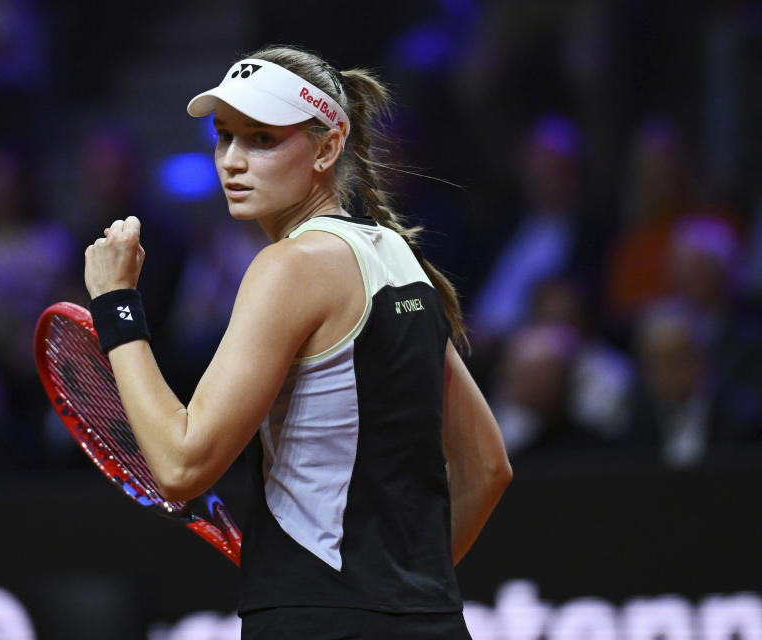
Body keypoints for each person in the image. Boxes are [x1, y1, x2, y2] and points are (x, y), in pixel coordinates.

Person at [83, 45, 512, 639]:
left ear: (328, 147)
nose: (232, 161)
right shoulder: (400, 261)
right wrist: (398, 595)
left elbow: (181, 465)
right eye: (224, 136)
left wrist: (115, 305)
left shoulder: (291, 266)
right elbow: (487, 467)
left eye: (262, 139)